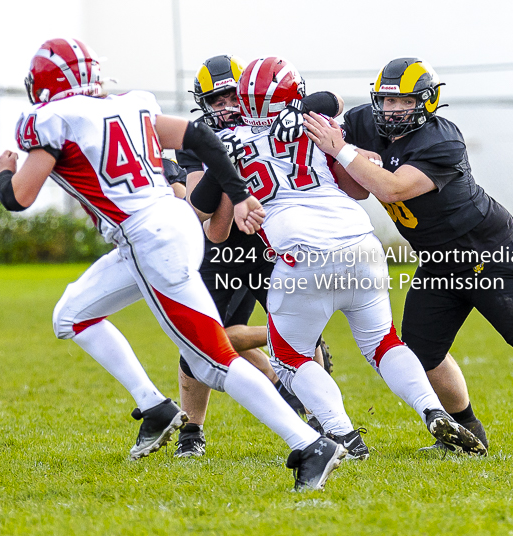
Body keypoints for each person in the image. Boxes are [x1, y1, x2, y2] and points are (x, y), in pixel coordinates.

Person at [0, 38, 345, 490]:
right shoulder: (130, 104)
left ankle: (309, 444)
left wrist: (5, 168)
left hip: (146, 238)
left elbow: (17, 198)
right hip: (168, 224)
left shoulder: (50, 121)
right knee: (71, 315)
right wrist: (239, 195)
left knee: (212, 361)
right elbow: (200, 136)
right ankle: (155, 406)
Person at [303, 57, 513, 452]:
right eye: (386, 102)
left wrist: (344, 151)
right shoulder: (367, 122)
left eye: (404, 102)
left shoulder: (441, 140)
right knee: (418, 352)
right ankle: (467, 433)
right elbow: (330, 113)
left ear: (427, 102)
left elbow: (393, 188)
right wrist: (313, 105)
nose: (393, 111)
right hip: (438, 260)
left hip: (488, 254)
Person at [196, 55, 487, 459]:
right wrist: (300, 115)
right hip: (359, 242)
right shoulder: (317, 121)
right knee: (383, 342)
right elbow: (351, 173)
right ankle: (431, 408)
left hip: (301, 256)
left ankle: (345, 436)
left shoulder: (227, 143)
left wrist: (229, 178)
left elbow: (208, 218)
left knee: (290, 358)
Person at [174, 54, 338, 457]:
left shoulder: (268, 119)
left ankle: (325, 420)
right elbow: (209, 219)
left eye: (233, 96)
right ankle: (191, 432)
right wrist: (231, 169)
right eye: (217, 100)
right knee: (197, 341)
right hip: (223, 252)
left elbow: (329, 100)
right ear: (203, 105)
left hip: (273, 243)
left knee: (305, 338)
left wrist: (288, 111)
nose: (228, 107)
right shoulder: (198, 141)